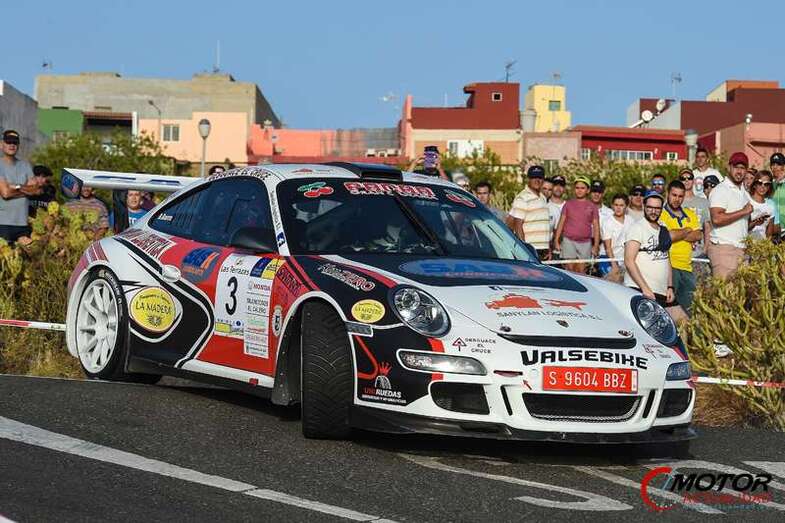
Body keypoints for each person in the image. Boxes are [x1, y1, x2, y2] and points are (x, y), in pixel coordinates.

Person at [623, 191, 676, 309]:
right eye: (650, 207)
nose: (653, 211)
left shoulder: (663, 229)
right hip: (639, 290)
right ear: (644, 206)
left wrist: (670, 287)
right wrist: (645, 288)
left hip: (660, 292)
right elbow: (629, 261)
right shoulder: (637, 228)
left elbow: (666, 259)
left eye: (657, 208)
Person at [708, 152, 753, 279]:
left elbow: (740, 225)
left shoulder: (744, 192)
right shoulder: (721, 190)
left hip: (741, 250)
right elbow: (717, 219)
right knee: (725, 291)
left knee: (742, 291)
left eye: (742, 168)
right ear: (729, 167)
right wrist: (744, 211)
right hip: (724, 249)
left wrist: (754, 222)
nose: (739, 171)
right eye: (736, 167)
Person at [660, 180, 702, 313]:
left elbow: (698, 235)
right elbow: (667, 237)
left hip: (687, 268)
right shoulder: (661, 214)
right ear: (667, 194)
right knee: (666, 308)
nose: (677, 199)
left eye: (680, 196)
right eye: (674, 195)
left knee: (693, 309)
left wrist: (677, 233)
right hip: (668, 267)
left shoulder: (690, 213)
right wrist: (687, 230)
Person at [0, 130, 41, 243]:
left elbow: (36, 190)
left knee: (27, 253)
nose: (12, 145)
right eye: (8, 142)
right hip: (3, 224)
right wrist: (26, 190)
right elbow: (5, 193)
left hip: (22, 224)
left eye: (15, 142)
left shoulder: (25, 166)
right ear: (1, 144)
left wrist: (16, 187)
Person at [554, 176, 600, 273]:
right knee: (570, 269)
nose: (579, 190)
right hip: (568, 241)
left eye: (582, 188)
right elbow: (561, 223)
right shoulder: (568, 204)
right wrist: (556, 240)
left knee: (581, 270)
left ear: (588, 190)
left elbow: (596, 227)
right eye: (577, 188)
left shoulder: (592, 206)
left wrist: (596, 245)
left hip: (585, 242)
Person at [507, 165, 551, 260]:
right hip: (530, 250)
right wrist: (524, 250)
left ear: (543, 180)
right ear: (528, 179)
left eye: (540, 178)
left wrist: (547, 248)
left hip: (543, 250)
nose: (537, 180)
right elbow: (518, 226)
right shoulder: (522, 198)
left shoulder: (543, 198)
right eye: (534, 177)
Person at [601, 194, 630, 283]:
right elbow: (608, 248)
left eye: (621, 205)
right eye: (616, 205)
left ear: (626, 206)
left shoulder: (631, 220)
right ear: (612, 206)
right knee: (612, 282)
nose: (618, 208)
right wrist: (614, 266)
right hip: (607, 258)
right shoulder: (607, 222)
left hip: (624, 259)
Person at [748, 170, 776, 240]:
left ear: (769, 187)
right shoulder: (746, 201)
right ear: (754, 184)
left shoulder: (771, 207)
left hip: (762, 245)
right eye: (760, 183)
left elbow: (769, 235)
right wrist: (755, 223)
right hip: (745, 244)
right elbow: (740, 229)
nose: (763, 187)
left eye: (766, 184)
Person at [547, 175, 567, 255]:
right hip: (550, 252)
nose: (558, 188)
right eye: (555, 185)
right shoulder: (545, 206)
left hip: (568, 252)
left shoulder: (570, 206)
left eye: (561, 185)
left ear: (564, 188)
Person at [770, 153, 785, 239]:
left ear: (783, 166)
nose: (775, 167)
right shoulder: (767, 184)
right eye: (773, 164)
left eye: (778, 164)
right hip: (773, 230)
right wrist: (776, 182)